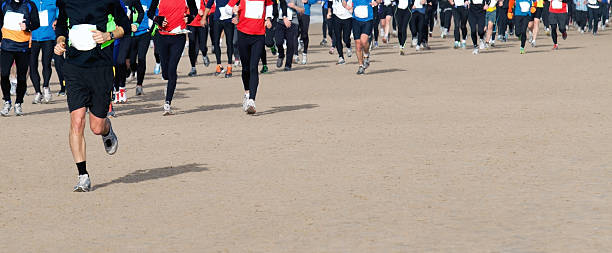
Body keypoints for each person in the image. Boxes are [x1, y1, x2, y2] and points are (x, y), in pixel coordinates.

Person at [54, 0, 130, 191]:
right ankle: (83, 176)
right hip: (74, 68)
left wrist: (108, 35)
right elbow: (62, 24)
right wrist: (60, 42)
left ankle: (107, 129)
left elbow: (125, 27)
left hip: (100, 68)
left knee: (96, 127)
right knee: (77, 121)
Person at [148, 0, 198, 115]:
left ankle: (167, 103)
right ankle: (167, 82)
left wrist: (190, 18)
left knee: (172, 69)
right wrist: (158, 19)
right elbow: (150, 13)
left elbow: (194, 11)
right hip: (162, 37)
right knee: (165, 73)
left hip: (178, 36)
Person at [226, 0, 274, 114]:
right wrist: (233, 11)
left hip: (259, 35)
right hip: (243, 33)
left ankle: (252, 100)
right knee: (246, 68)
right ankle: (247, 93)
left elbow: (269, 4)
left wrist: (268, 18)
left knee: (253, 67)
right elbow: (227, 8)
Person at [0, 0, 40, 117]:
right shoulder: (3, 3)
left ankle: (18, 103)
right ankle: (7, 101)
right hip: (7, 46)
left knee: (22, 78)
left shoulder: (29, 5)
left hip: (23, 47)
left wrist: (27, 26)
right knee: (4, 74)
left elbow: (36, 23)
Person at [30, 0, 64, 104]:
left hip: (48, 37)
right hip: (33, 37)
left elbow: (62, 12)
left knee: (46, 64)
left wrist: (58, 20)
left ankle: (46, 87)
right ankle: (37, 92)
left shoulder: (54, 1)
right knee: (32, 65)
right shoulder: (31, 2)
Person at [114, 0, 144, 104]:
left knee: (121, 62)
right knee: (113, 64)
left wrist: (136, 23)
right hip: (111, 36)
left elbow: (141, 12)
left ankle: (121, 88)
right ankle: (115, 90)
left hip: (126, 35)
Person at [203, 0, 235, 77]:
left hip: (229, 19)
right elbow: (208, 5)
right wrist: (204, 17)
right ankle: (218, 65)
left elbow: (238, 4)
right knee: (215, 42)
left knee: (229, 43)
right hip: (217, 19)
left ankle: (229, 66)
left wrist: (236, 16)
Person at [130, 0, 155, 95]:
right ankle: (134, 71)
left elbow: (155, 15)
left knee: (141, 58)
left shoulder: (150, 1)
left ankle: (139, 85)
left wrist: (151, 29)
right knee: (132, 60)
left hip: (144, 33)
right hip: (131, 34)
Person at [349, 0, 377, 74]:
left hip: (367, 19)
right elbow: (344, 2)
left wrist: (376, 2)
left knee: (364, 41)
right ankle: (361, 66)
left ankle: (366, 55)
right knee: (358, 45)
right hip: (356, 20)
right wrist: (347, 7)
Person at [275, 0, 304, 71]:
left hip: (293, 22)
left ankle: (288, 65)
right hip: (280, 21)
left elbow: (302, 10)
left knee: (290, 44)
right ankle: (281, 55)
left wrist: (294, 6)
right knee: (278, 41)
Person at [187, 0, 212, 77]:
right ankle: (193, 68)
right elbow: (184, 8)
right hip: (191, 23)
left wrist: (204, 14)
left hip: (202, 22)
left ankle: (204, 54)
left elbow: (210, 7)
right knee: (192, 46)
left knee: (202, 46)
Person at [328, 0, 353, 64]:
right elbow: (330, 2)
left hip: (348, 16)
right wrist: (329, 12)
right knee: (337, 37)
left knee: (346, 38)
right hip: (336, 16)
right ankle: (341, 57)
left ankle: (348, 46)